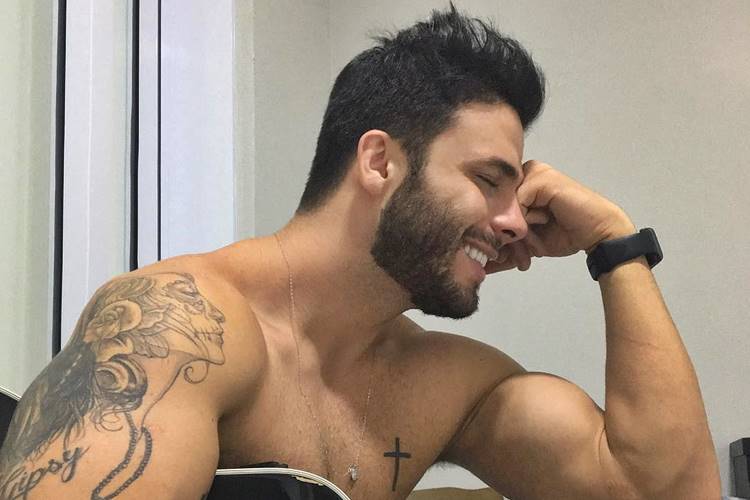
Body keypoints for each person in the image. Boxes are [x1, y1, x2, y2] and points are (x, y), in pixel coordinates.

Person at [0, 3, 720, 499]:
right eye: (488, 181)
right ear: (380, 162)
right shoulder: (179, 326)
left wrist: (615, 244)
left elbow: (660, 492)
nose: (513, 222)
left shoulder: (443, 383)